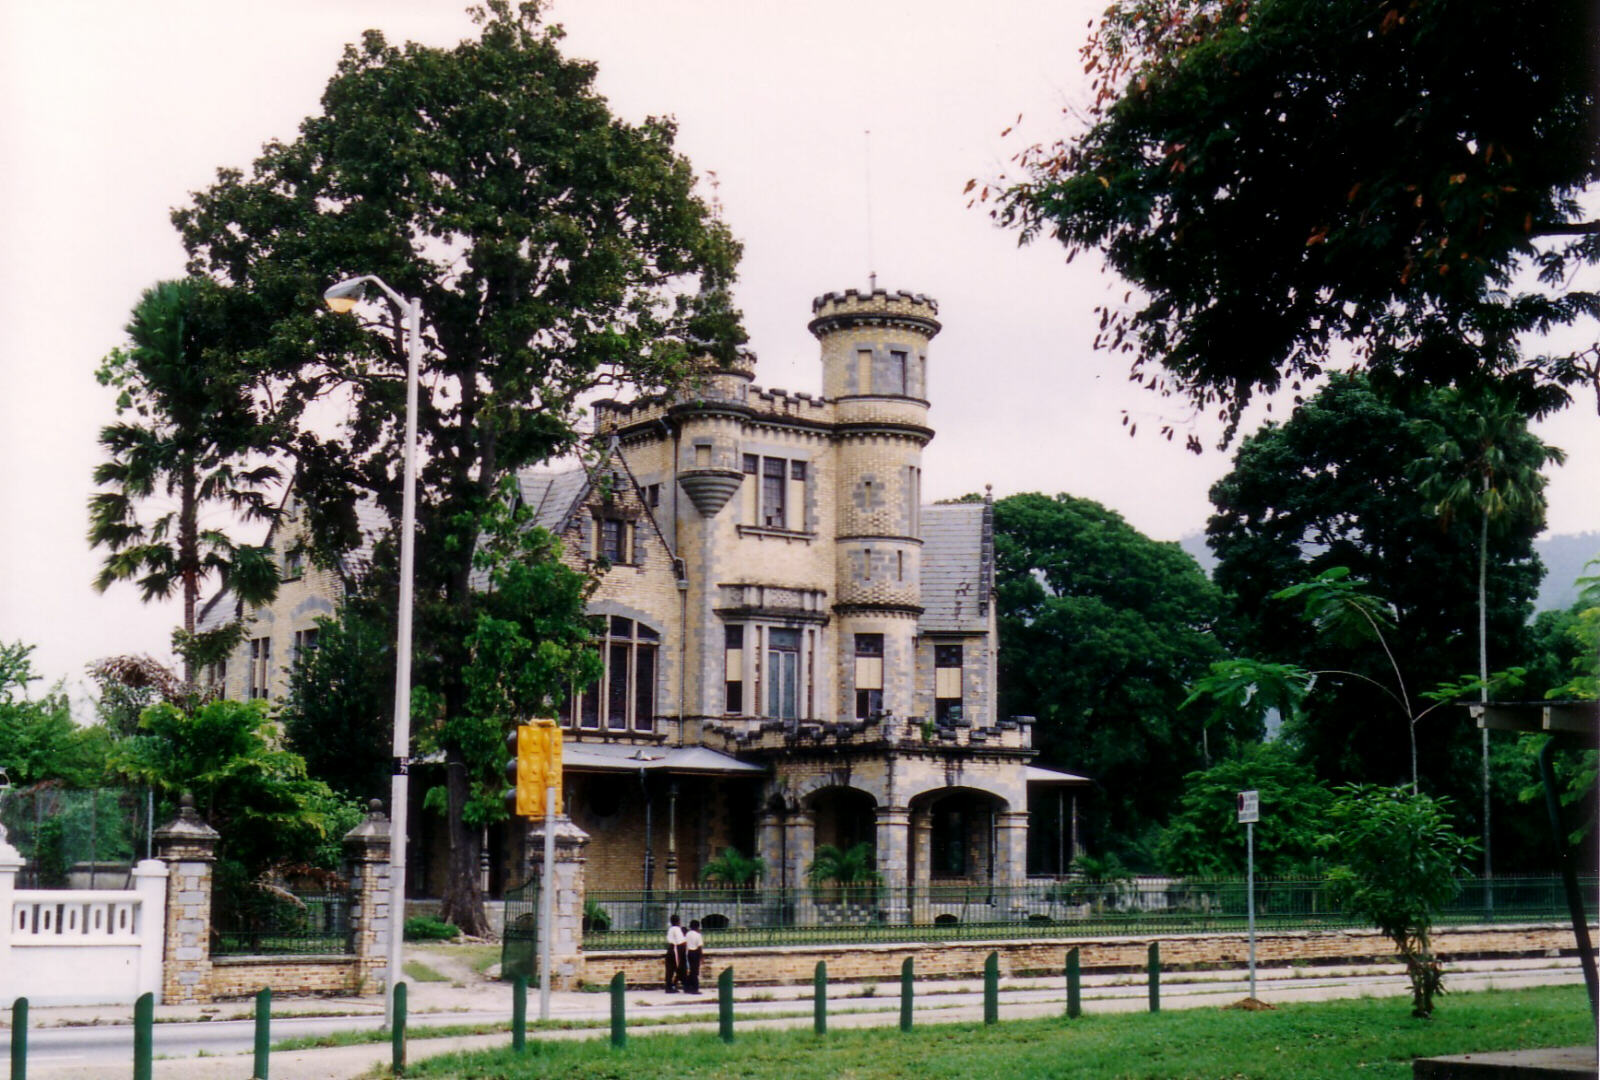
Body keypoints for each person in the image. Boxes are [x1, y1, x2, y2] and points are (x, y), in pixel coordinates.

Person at [664, 914, 686, 992]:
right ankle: (673, 985)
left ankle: (669, 985)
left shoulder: (670, 929)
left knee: (669, 969)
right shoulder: (677, 929)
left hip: (670, 949)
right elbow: (680, 942)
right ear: (678, 921)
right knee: (678, 967)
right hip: (675, 949)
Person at [684, 919, 705, 994]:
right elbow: (699, 947)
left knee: (691, 970)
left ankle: (687, 987)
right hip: (695, 952)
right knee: (695, 971)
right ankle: (695, 988)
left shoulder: (688, 934)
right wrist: (701, 956)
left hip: (689, 952)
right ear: (697, 927)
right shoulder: (698, 935)